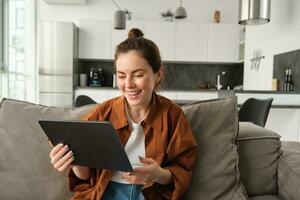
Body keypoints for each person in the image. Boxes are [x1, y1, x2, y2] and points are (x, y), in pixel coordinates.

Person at [49, 28, 197, 200]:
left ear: (158, 74)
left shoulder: (173, 115)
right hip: (105, 193)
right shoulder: (102, 113)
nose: (128, 84)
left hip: (149, 194)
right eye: (121, 76)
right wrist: (73, 161)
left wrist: (158, 174)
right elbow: (84, 176)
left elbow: (183, 171)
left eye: (138, 75)